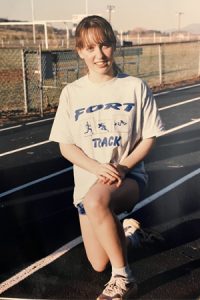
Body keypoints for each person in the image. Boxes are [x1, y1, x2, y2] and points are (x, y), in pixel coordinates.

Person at [49, 15, 164, 300]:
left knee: (96, 201)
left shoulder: (135, 87)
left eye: (104, 45)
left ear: (113, 45)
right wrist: (96, 167)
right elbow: (66, 146)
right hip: (88, 181)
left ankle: (124, 279)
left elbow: (149, 137)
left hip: (128, 177)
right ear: (79, 51)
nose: (99, 55)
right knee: (98, 263)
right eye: (90, 48)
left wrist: (123, 168)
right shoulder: (71, 93)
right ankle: (128, 232)